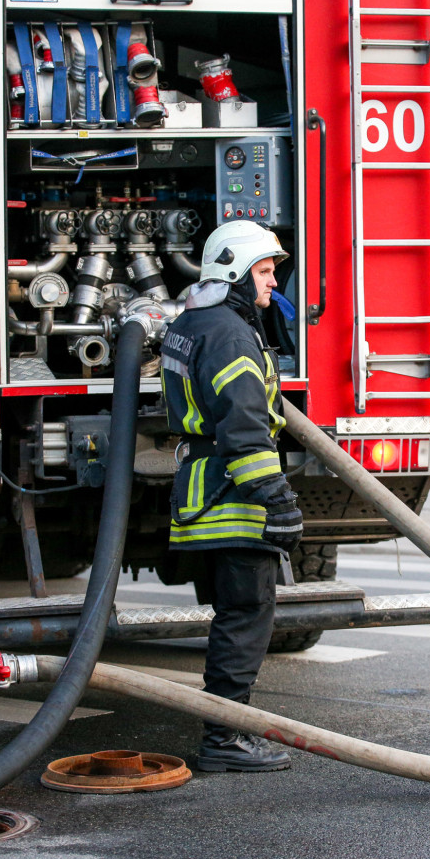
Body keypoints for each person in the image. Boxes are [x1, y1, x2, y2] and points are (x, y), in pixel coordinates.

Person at [160, 220, 304, 773]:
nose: (273, 286)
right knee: (246, 613)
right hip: (231, 497)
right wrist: (278, 499)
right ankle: (226, 737)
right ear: (236, 273)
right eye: (265, 273)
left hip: (205, 490)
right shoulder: (229, 333)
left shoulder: (196, 321)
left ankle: (227, 729)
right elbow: (244, 426)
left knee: (232, 613)